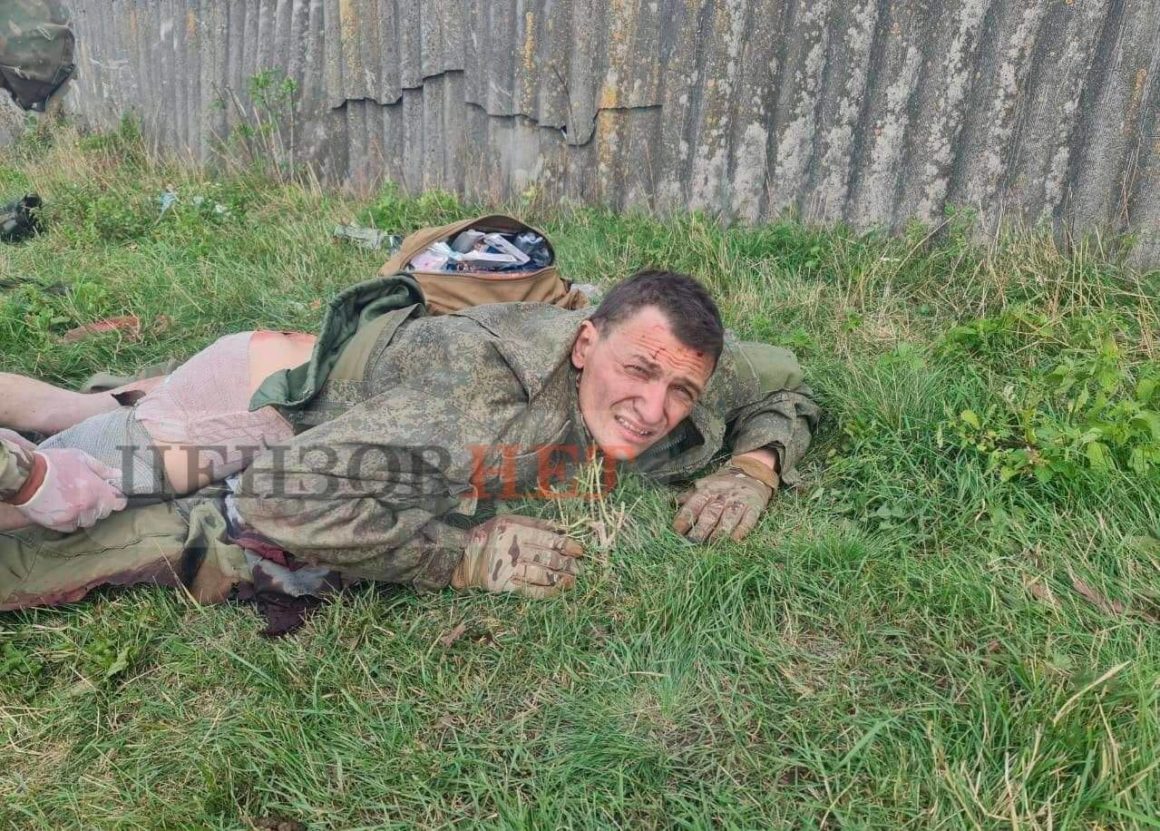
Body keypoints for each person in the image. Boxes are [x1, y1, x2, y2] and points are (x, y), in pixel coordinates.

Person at [0, 271, 819, 610]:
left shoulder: (672, 355)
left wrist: (754, 467)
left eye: (682, 391)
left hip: (311, 376)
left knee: (89, 420)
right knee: (64, 496)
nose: (653, 408)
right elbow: (277, 496)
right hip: (246, 414)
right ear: (584, 343)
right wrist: (458, 558)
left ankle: (91, 402)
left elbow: (789, 381)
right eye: (638, 372)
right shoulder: (478, 399)